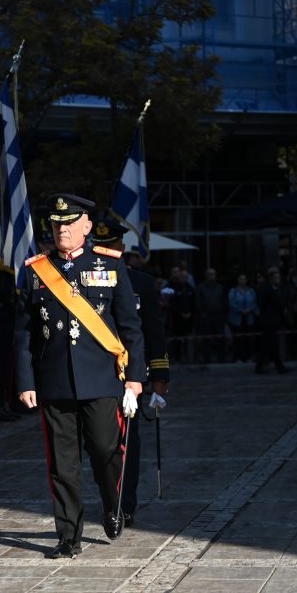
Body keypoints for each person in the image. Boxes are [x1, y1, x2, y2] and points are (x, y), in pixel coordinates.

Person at [15, 194, 145, 559]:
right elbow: (23, 333)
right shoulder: (35, 270)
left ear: (86, 226)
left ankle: (111, 504)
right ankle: (68, 534)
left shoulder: (111, 265)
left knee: (106, 450)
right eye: (57, 224)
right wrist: (25, 381)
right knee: (62, 462)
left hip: (102, 380)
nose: (62, 230)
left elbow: (130, 328)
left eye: (69, 223)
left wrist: (135, 378)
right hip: (55, 381)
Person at [90, 216, 169, 528]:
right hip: (93, 374)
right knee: (96, 445)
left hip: (127, 375)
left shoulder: (141, 283)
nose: (105, 252)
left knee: (127, 443)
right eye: (100, 247)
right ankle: (109, 497)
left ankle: (124, 504)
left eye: (110, 246)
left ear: (121, 248)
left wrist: (159, 377)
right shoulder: (80, 281)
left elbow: (153, 332)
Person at [255, 267, 289, 374]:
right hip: (269, 320)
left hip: (272, 320)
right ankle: (277, 366)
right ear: (271, 279)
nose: (278, 279)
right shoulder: (267, 289)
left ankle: (262, 366)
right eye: (276, 278)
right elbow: (268, 303)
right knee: (271, 344)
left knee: (268, 345)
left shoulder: (274, 288)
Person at [195, 268, 227, 363]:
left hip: (218, 316)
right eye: (209, 274)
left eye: (213, 274)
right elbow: (198, 302)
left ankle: (221, 358)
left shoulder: (220, 287)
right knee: (206, 339)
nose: (211, 276)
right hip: (206, 316)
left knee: (220, 338)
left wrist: (223, 315)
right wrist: (201, 313)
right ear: (206, 276)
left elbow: (223, 302)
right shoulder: (200, 288)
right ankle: (206, 359)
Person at [228, 273, 257, 363]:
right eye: (241, 279)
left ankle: (248, 357)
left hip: (248, 318)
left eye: (244, 279)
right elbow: (232, 303)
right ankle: (238, 357)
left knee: (248, 338)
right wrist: (240, 310)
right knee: (238, 339)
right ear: (237, 280)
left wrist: (249, 310)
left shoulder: (251, 291)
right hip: (237, 319)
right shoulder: (233, 291)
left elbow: (255, 302)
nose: (243, 281)